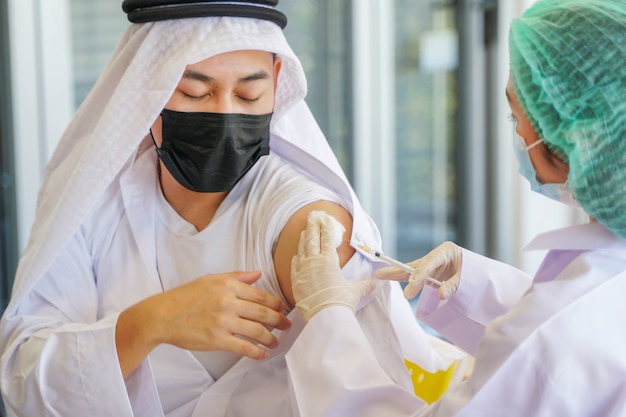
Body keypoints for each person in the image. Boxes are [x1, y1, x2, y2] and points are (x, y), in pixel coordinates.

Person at [0, 1, 434, 416]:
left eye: (249, 95)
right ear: (146, 88)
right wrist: (149, 322)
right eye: (195, 92)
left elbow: (365, 394)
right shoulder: (94, 201)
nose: (225, 117)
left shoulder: (298, 209)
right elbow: (24, 378)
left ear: (277, 80)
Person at [286, 0, 626, 416]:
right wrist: (471, 282)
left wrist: (326, 317)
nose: (516, 133)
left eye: (517, 117)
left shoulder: (553, 341)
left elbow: (550, 346)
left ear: (576, 139)